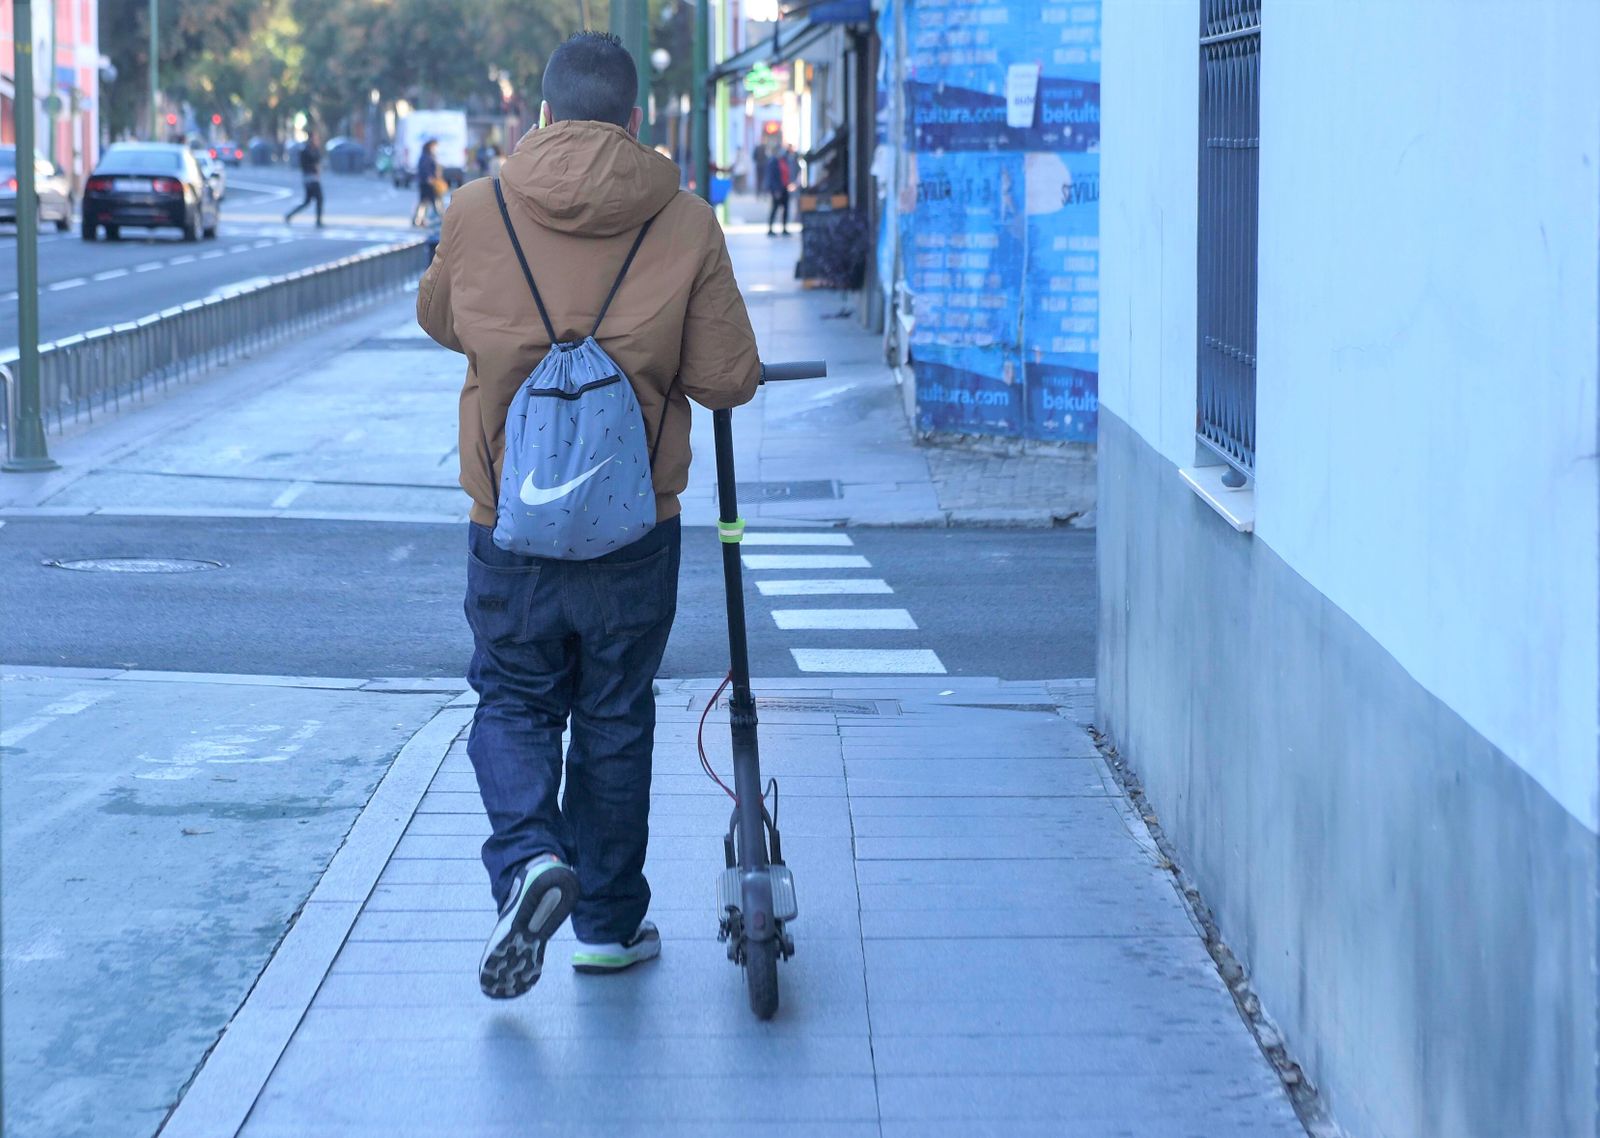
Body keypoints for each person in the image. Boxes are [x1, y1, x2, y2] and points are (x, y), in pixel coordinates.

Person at [416, 29, 760, 1001]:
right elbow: (726, 375)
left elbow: (440, 319)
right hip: (632, 524)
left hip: (509, 521)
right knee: (614, 714)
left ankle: (528, 859)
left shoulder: (479, 209)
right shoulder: (685, 221)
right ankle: (607, 927)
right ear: (637, 122)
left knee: (514, 696)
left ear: (542, 114)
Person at [284, 131, 323, 227]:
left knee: (307, 202)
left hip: (309, 178)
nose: (317, 140)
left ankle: (289, 215)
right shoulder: (307, 149)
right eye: (315, 138)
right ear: (311, 138)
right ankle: (318, 221)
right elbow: (314, 162)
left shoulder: (309, 148)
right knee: (319, 198)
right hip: (311, 179)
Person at [766, 143, 796, 236]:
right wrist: (775, 190)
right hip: (777, 189)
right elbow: (772, 177)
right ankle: (770, 229)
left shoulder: (785, 161)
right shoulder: (773, 162)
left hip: (785, 187)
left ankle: (784, 228)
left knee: (786, 209)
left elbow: (788, 173)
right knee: (775, 209)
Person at [413, 139, 441, 227]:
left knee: (426, 202)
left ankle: (419, 219)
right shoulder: (426, 156)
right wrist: (429, 178)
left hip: (430, 182)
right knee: (431, 201)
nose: (436, 148)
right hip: (427, 183)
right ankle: (419, 219)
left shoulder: (430, 155)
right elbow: (424, 169)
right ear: (430, 146)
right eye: (434, 146)